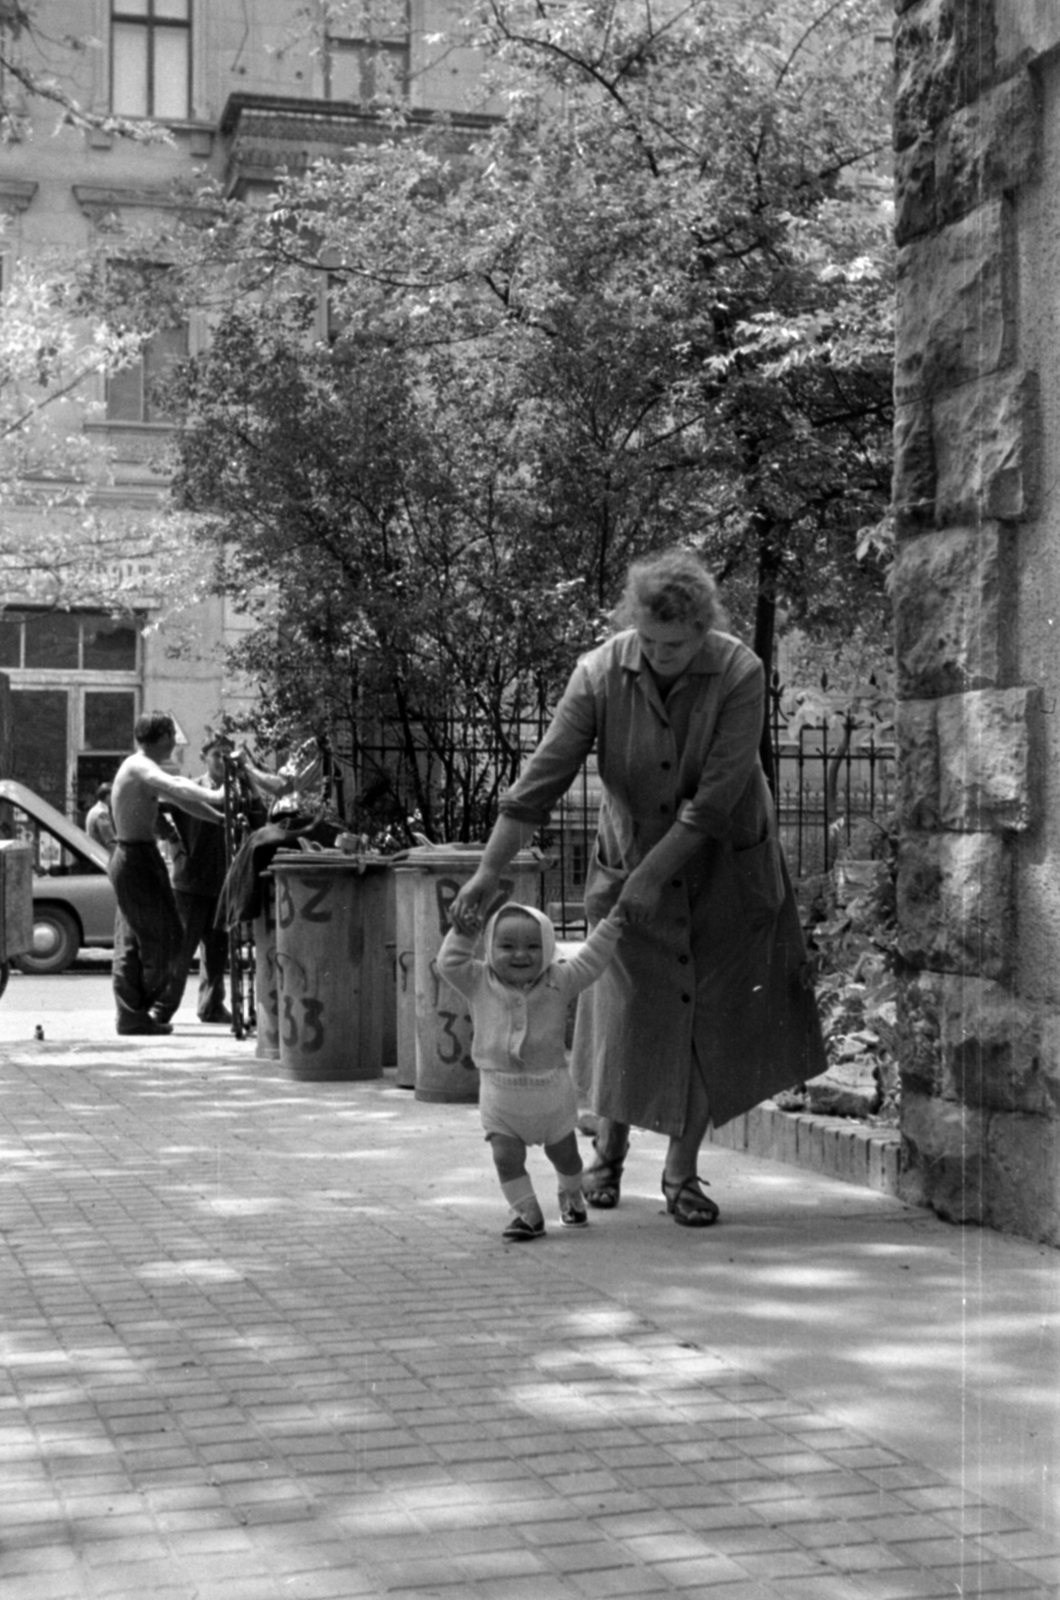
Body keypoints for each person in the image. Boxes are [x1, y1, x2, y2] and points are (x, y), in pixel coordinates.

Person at [451, 547, 826, 1229]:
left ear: (704, 630)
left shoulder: (739, 671)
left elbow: (712, 803)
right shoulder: (599, 672)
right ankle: (607, 1154)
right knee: (628, 1013)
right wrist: (489, 868)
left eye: (677, 644)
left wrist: (653, 878)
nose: (661, 655)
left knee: (712, 1019)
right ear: (633, 625)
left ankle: (681, 1174)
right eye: (649, 641)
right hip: (628, 862)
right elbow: (542, 779)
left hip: (725, 868)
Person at [438, 900, 626, 1242]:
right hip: (499, 1094)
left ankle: (571, 1195)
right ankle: (527, 1213)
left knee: (565, 1155)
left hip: (551, 1094)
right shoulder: (478, 980)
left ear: (549, 948)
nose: (520, 955)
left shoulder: (560, 979)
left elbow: (593, 959)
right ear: (490, 947)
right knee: (505, 1156)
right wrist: (462, 934)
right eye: (507, 946)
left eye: (533, 946)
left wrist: (611, 926)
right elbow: (448, 963)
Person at [108, 712, 226, 1037]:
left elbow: (178, 799)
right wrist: (215, 795)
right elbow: (174, 785)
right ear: (161, 738)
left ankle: (134, 1014)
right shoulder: (139, 766)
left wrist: (217, 817)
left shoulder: (144, 769)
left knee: (143, 939)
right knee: (164, 939)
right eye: (172, 737)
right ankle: (136, 1011)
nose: (175, 743)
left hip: (140, 857)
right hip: (134, 859)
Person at [153, 734, 234, 1028]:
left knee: (217, 953)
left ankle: (212, 1006)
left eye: (228, 755)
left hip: (223, 885)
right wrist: (171, 837)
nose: (223, 762)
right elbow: (152, 809)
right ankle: (162, 1010)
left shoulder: (237, 792)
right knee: (181, 952)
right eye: (217, 755)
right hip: (189, 884)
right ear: (204, 758)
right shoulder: (192, 788)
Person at [84, 782, 116, 855]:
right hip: (100, 857)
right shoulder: (101, 813)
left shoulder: (95, 810)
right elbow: (110, 841)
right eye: (113, 795)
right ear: (108, 796)